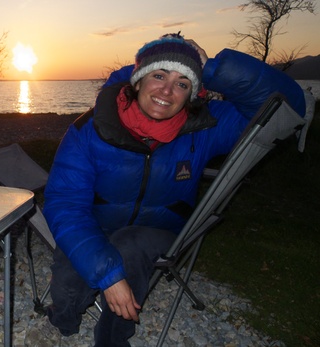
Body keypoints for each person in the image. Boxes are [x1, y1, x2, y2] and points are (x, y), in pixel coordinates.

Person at [24, 33, 306, 346]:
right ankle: (64, 317)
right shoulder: (89, 130)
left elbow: (289, 107)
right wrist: (107, 274)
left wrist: (212, 68)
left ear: (193, 94)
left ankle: (113, 338)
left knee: (129, 245)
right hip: (98, 221)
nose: (168, 91)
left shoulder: (206, 126)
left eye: (183, 82)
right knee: (70, 271)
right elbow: (65, 204)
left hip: (162, 228)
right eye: (159, 75)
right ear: (138, 80)